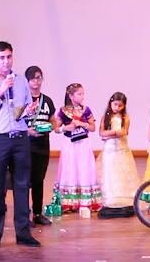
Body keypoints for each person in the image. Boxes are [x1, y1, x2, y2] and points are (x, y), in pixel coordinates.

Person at [0, 41, 40, 249]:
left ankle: (23, 233)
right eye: (1, 57)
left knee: (22, 185)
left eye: (9, 57)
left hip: (20, 138)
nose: (6, 61)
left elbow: (22, 109)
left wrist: (28, 111)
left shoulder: (21, 81)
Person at [54, 83, 102, 212]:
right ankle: (69, 200)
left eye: (83, 94)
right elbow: (56, 129)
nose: (82, 96)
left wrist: (83, 124)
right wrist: (65, 128)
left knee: (84, 168)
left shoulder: (86, 110)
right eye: (79, 94)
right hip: (69, 143)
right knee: (70, 168)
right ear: (71, 96)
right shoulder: (63, 111)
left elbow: (92, 128)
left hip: (83, 143)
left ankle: (85, 200)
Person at [96, 92, 140, 210]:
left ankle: (124, 198)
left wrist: (109, 136)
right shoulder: (106, 117)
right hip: (109, 150)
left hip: (122, 149)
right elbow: (101, 132)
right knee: (110, 173)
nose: (117, 108)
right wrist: (114, 133)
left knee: (122, 172)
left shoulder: (125, 117)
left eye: (120, 106)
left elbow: (124, 132)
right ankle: (111, 198)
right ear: (111, 103)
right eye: (115, 104)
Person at [24, 66, 56, 227]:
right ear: (27, 80)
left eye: (39, 77)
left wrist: (49, 127)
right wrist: (27, 130)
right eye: (33, 78)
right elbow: (15, 121)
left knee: (39, 180)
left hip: (42, 145)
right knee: (24, 181)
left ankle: (37, 213)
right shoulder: (22, 99)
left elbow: (54, 121)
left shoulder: (47, 100)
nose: (37, 81)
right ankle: (24, 215)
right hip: (25, 145)